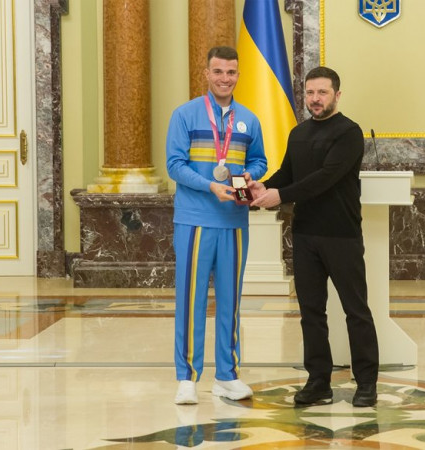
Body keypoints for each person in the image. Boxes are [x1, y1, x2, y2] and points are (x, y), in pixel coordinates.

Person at [248, 66, 379, 407]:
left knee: (356, 310)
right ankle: (318, 381)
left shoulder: (349, 133)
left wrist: (280, 195)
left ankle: (367, 383)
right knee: (311, 312)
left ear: (337, 95)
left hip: (342, 236)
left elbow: (325, 178)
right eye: (310, 92)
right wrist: (264, 186)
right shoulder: (298, 133)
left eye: (322, 92)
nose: (315, 99)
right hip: (305, 235)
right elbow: (288, 173)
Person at [166, 46, 268, 405]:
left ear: (238, 75)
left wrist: (250, 175)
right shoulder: (185, 115)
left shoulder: (249, 119)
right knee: (191, 300)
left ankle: (227, 375)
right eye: (219, 71)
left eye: (231, 72)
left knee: (230, 300)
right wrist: (210, 185)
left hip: (234, 222)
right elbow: (175, 165)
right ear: (206, 73)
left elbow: (260, 160)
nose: (225, 78)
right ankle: (187, 377)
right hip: (194, 220)